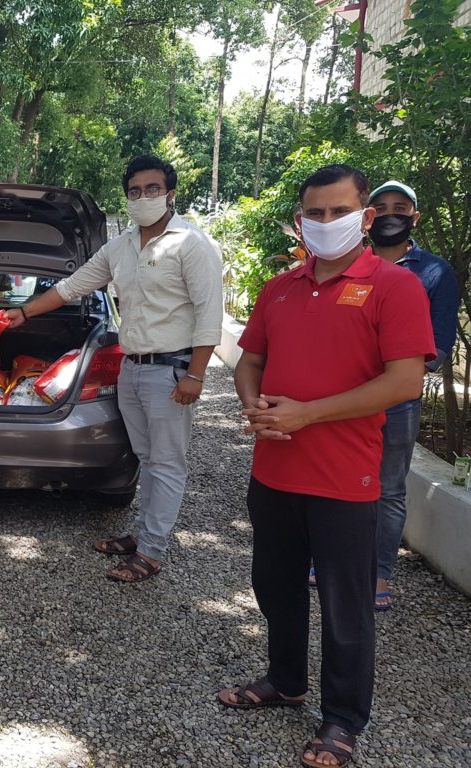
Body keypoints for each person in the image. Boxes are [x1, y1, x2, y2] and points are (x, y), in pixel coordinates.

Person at [220, 165, 435, 767]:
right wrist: (253, 405)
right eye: (313, 213)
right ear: (299, 219)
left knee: (346, 605)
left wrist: (306, 415)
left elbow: (404, 380)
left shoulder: (395, 287)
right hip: (274, 472)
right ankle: (285, 682)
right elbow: (249, 362)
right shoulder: (280, 288)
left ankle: (342, 720)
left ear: (365, 218)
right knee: (275, 587)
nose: (324, 223)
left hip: (346, 477)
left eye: (338, 212)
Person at [5, 155, 223, 583]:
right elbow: (73, 285)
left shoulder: (191, 244)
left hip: (172, 370)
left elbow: (209, 313)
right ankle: (142, 536)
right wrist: (23, 314)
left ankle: (153, 552)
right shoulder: (121, 246)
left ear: (171, 193)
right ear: (127, 197)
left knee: (167, 463)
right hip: (133, 367)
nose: (144, 197)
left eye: (153, 189)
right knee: (147, 458)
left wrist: (196, 375)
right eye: (136, 191)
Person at [367, 180, 458, 611]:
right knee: (338, 483)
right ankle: (330, 559)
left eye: (399, 207)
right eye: (380, 206)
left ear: (414, 216)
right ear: (367, 216)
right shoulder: (348, 264)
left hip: (397, 403)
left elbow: (438, 348)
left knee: (388, 489)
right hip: (340, 400)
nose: (389, 214)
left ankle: (380, 573)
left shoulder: (435, 272)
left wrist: (390, 377)